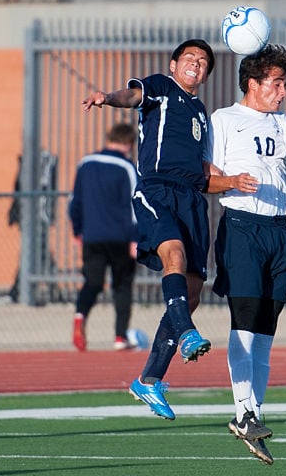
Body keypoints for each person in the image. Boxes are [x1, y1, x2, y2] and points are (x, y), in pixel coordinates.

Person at [82, 38, 250, 420]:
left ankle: (149, 379)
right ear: (174, 65)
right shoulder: (161, 87)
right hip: (158, 189)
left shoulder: (201, 112)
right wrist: (107, 98)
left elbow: (204, 177)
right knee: (172, 252)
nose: (197, 63)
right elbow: (133, 96)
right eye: (190, 57)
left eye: (204, 61)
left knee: (192, 291)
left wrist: (235, 181)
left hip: (192, 198)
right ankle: (188, 333)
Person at [207, 44, 286, 465]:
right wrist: (231, 180)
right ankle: (243, 411)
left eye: (285, 84)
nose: (283, 92)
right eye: (277, 84)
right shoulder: (223, 120)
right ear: (253, 84)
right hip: (241, 227)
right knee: (246, 319)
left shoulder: (282, 121)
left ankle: (254, 416)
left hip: (278, 230)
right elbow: (205, 176)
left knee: (268, 329)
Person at [68, 122, 139, 351]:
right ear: (128, 143)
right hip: (120, 237)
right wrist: (136, 238)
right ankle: (120, 337)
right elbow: (135, 205)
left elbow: (74, 202)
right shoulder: (127, 167)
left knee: (93, 282)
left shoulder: (85, 164)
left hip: (93, 236)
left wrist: (77, 230)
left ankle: (80, 316)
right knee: (122, 286)